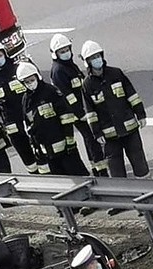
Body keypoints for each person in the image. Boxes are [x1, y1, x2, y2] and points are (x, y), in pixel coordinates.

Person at [80, 40, 150, 178]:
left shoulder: (116, 74)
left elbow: (132, 95)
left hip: (130, 130)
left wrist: (140, 114)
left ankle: (148, 190)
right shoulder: (87, 85)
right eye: (93, 58)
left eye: (98, 56)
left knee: (140, 164)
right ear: (87, 62)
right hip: (109, 137)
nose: (97, 60)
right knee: (116, 171)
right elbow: (91, 113)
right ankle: (122, 196)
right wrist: (97, 133)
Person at [49, 34, 109, 177]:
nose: (66, 53)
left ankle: (96, 166)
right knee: (92, 139)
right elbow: (67, 96)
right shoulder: (58, 70)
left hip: (83, 108)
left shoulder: (69, 65)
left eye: (66, 49)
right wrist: (81, 113)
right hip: (76, 112)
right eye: (62, 51)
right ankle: (101, 170)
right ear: (55, 54)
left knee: (90, 138)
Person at [16, 62, 89, 177]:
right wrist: (35, 147)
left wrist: (69, 140)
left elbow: (66, 117)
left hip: (66, 149)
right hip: (48, 152)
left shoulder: (51, 91)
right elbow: (29, 125)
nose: (30, 84)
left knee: (79, 176)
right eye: (27, 82)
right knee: (61, 181)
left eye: (32, 79)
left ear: (37, 76)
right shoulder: (26, 100)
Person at [0, 41, 38, 174]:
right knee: (25, 154)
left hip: (30, 117)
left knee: (41, 148)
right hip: (12, 124)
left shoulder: (18, 69)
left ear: (5, 54)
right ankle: (35, 175)